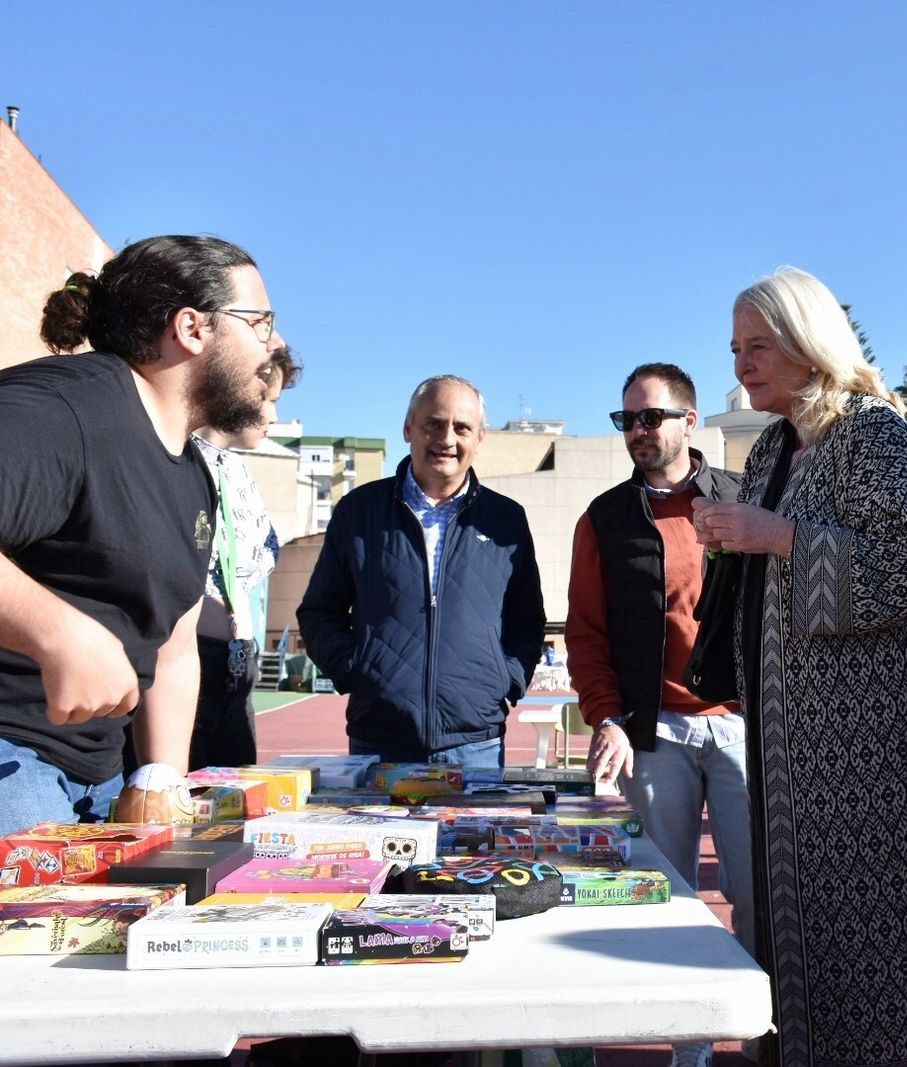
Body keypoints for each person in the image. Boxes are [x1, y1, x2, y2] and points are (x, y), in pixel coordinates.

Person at [693, 268, 907, 1067]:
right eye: (735, 347)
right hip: (789, 754)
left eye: (760, 345)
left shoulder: (871, 430)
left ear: (811, 344)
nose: (743, 363)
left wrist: (776, 537)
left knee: (877, 952)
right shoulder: (775, 442)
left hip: (866, 762)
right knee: (796, 937)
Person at [0, 235, 276, 835]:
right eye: (260, 322)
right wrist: (57, 633)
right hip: (12, 765)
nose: (273, 345)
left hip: (98, 779)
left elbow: (173, 647)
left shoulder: (195, 475)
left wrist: (160, 780)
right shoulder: (62, 407)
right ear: (192, 328)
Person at [567, 362, 752, 1067]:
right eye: (626, 421)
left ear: (690, 420)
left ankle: (762, 1034)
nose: (637, 432)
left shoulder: (741, 498)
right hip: (655, 734)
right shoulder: (605, 518)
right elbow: (586, 631)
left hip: (739, 723)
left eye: (651, 417)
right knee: (671, 894)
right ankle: (691, 1046)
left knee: (755, 891)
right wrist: (607, 716)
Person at [298, 375, 545, 773]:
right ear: (409, 428)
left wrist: (506, 679)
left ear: (479, 437)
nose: (447, 438)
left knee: (472, 839)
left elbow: (527, 621)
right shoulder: (359, 512)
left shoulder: (506, 520)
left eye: (462, 427)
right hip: (379, 742)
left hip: (476, 745)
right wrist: (357, 670)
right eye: (434, 423)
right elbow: (318, 613)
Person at [187, 344, 303, 770]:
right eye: (267, 399)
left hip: (237, 666)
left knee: (234, 795)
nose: (273, 415)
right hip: (188, 663)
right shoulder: (178, 458)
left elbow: (250, 563)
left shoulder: (237, 469)